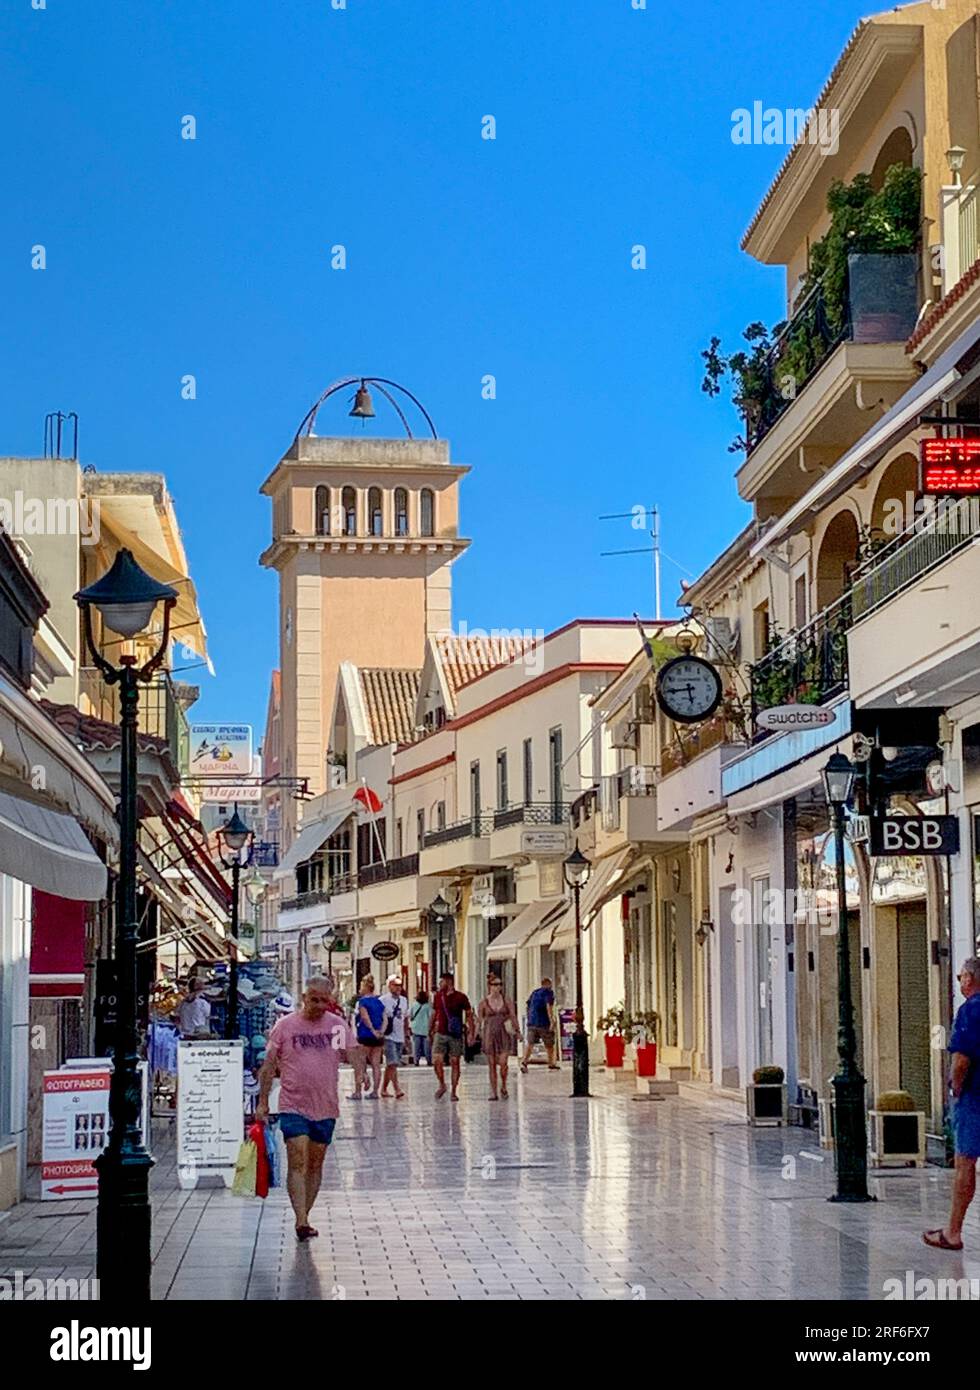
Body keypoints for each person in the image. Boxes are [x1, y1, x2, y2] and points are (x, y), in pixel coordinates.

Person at [256, 975, 353, 1242]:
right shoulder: (285, 1027)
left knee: (315, 1161)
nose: (319, 1005)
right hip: (292, 1104)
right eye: (314, 1000)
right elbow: (268, 1066)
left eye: (325, 1001)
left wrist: (361, 1073)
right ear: (304, 998)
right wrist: (263, 1101)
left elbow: (343, 1053)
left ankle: (305, 1214)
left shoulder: (335, 1027)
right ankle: (301, 1220)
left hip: (325, 1106)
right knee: (297, 1157)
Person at [924, 957, 980, 1251]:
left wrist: (956, 1088)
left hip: (974, 1098)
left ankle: (953, 1232)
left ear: (969, 979)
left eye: (960, 976)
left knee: (964, 1164)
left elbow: (961, 1060)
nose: (959, 981)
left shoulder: (970, 1011)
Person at [429, 971, 474, 1101]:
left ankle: (454, 1090)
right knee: (437, 1060)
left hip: (455, 1033)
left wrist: (471, 1032)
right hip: (440, 1032)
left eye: (441, 981)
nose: (439, 984)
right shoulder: (438, 997)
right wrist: (430, 1030)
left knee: (455, 1062)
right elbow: (434, 1013)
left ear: (448, 982)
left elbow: (469, 1014)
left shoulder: (461, 997)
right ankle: (442, 1084)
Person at [478, 975, 520, 1100]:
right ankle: (494, 1091)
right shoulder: (484, 1002)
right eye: (495, 984)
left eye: (499, 984)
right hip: (489, 1034)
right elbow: (479, 1019)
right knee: (491, 1065)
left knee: (503, 1063)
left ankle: (503, 1085)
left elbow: (512, 1015)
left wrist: (517, 1031)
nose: (498, 987)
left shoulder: (506, 1000)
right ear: (489, 986)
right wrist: (474, 1033)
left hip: (503, 1034)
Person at [352, 974, 385, 1099]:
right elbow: (385, 1018)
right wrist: (380, 1031)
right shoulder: (379, 1001)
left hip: (365, 1035)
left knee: (360, 1062)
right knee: (376, 1064)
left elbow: (365, 1017)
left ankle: (358, 1091)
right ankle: (375, 1091)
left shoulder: (362, 1002)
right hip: (378, 1037)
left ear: (365, 987)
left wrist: (371, 1030)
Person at [520, 976, 559, 1072]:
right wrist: (552, 1021)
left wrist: (529, 1018)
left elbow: (528, 1005)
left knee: (530, 1043)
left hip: (532, 1022)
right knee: (549, 1044)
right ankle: (551, 1063)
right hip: (543, 1022)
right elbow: (548, 1007)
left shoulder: (535, 993)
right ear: (548, 984)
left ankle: (524, 1062)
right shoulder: (548, 993)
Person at [379, 974, 408, 1098]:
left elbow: (405, 1018)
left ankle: (384, 1089)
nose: (398, 988)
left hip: (399, 1035)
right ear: (389, 986)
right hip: (388, 1036)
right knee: (393, 1063)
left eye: (399, 985)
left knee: (391, 1065)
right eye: (395, 985)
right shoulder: (382, 1000)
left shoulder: (404, 1000)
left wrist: (407, 1034)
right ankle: (397, 1089)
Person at [410, 990, 432, 1065]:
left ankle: (416, 1061)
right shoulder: (428, 1006)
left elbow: (411, 1015)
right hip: (426, 1028)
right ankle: (429, 1060)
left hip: (416, 1028)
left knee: (416, 1046)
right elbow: (431, 1016)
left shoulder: (414, 1004)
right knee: (427, 1046)